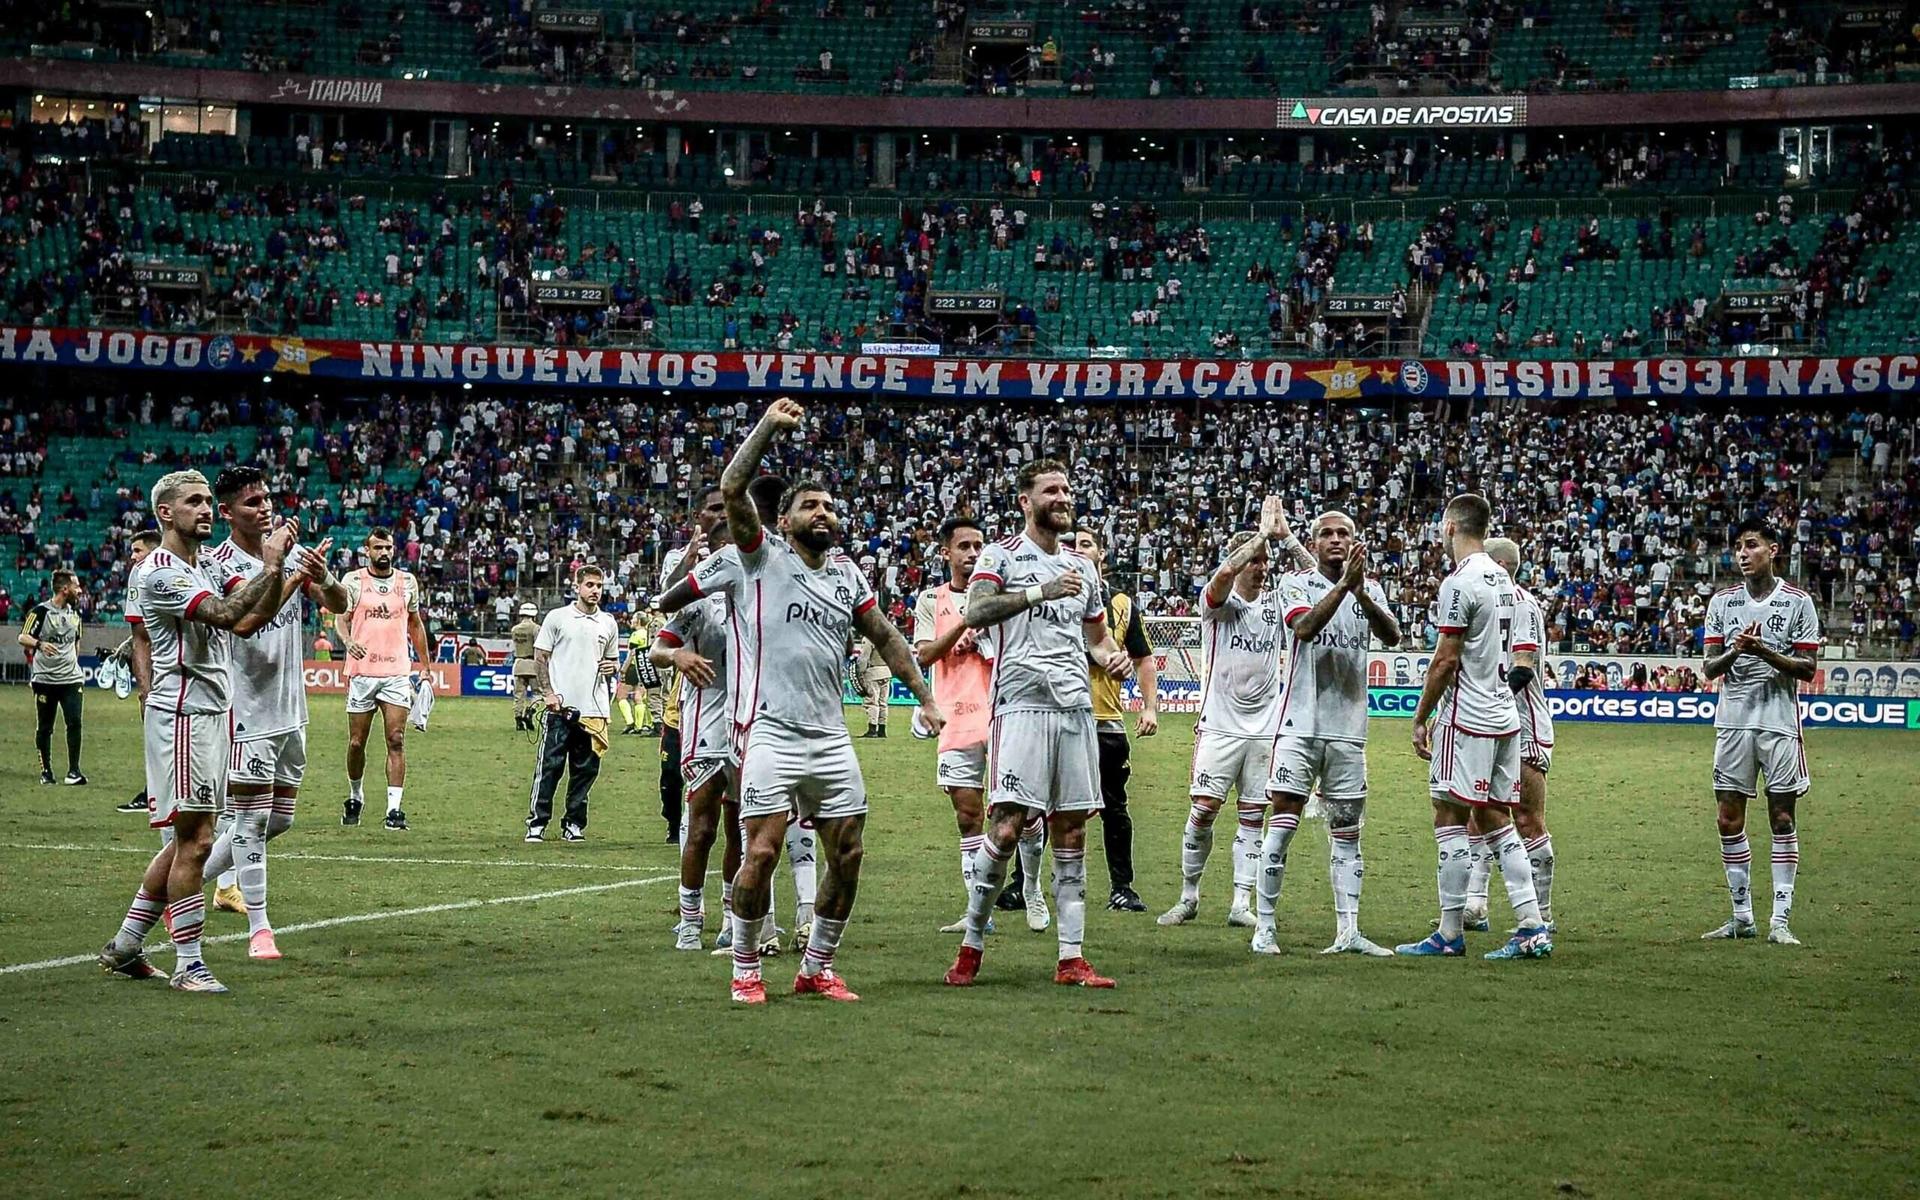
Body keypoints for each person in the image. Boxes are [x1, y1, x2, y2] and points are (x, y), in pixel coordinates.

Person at [689, 398, 943, 1004]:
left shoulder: (848, 575)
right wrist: (769, 428)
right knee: (763, 850)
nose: (824, 513)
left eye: (830, 506)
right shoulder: (760, 558)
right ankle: (746, 966)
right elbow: (732, 484)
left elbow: (886, 636)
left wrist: (926, 697)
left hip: (830, 736)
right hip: (771, 732)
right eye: (811, 505)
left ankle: (817, 965)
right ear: (785, 521)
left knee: (849, 852)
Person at [96, 469, 309, 994]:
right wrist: (275, 562)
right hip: (184, 715)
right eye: (194, 501)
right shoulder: (160, 572)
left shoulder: (204, 564)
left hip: (213, 714)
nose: (206, 508)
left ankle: (126, 943)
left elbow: (252, 617)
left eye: (210, 500)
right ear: (165, 513)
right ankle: (188, 964)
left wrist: (298, 576)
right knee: (196, 842)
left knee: (188, 842)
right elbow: (229, 614)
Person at [943, 458, 1133, 990]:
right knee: (1004, 827)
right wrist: (1038, 593)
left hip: (1075, 709)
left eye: (1068, 490)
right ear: (1026, 501)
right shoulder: (1002, 555)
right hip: (1021, 706)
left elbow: (1097, 638)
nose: (1063, 498)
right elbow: (977, 612)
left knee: (1071, 829)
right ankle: (972, 945)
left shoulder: (1086, 570)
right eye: (1051, 490)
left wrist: (1111, 656)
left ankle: (1071, 958)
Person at [201, 465, 350, 960]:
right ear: (226, 512)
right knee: (249, 820)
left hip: (291, 708)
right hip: (245, 710)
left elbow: (339, 600)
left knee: (278, 821)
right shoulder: (216, 564)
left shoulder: (285, 555)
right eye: (251, 502)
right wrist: (285, 571)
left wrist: (321, 575)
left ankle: (179, 879)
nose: (264, 507)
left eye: (266, 498)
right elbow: (243, 622)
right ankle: (260, 931)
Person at [1397, 493, 1553, 961]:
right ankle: (1532, 925)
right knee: (1493, 819)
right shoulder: (1506, 584)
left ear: (1449, 527)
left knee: (1448, 813)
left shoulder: (1459, 582)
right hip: (1507, 717)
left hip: (1468, 718)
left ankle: (1449, 932)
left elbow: (1445, 660)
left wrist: (1421, 717)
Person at [1253, 509, 1400, 957]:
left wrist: (1362, 593)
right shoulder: (1294, 585)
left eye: (1344, 534)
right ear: (1313, 543)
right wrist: (1343, 587)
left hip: (1349, 733)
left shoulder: (1370, 589)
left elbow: (1392, 636)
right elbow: (1304, 627)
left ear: (1355, 543)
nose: (1336, 540)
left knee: (1347, 831)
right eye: (1327, 534)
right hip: (1300, 728)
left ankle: (1349, 931)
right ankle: (1265, 928)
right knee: (1280, 827)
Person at [1157, 497, 1308, 930]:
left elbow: (1315, 577)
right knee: (1203, 810)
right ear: (1241, 563)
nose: (1262, 568)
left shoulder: (1278, 605)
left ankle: (1241, 902)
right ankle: (1189, 896)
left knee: (1252, 817)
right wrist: (1260, 535)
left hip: (1265, 728)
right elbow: (1222, 575)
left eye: (1265, 562)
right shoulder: (1219, 607)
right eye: (1255, 561)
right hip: (1219, 726)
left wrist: (1286, 537)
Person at [1700, 520, 1819, 946]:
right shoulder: (1723, 603)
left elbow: (1808, 668)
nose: (1742, 554)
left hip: (1778, 724)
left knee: (1782, 818)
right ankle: (1742, 916)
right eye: (1737, 547)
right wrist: (1737, 649)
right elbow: (1709, 668)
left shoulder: (1797, 602)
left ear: (1773, 549)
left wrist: (1763, 650)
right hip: (1732, 724)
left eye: (1751, 545)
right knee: (1728, 819)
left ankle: (1780, 921)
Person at [1458, 538, 1558, 933]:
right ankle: (1475, 905)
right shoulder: (1491, 600)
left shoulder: (1521, 603)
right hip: (1492, 721)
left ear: (1500, 564)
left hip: (1525, 725)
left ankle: (1543, 916)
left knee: (1528, 820)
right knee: (1476, 815)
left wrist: (1485, 699)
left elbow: (1524, 666)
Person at [654, 523, 740, 948]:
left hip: (751, 721)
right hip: (707, 718)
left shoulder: (760, 601)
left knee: (741, 827)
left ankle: (730, 919)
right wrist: (679, 655)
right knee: (702, 827)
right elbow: (658, 648)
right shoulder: (698, 606)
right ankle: (690, 920)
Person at [913, 516, 994, 932]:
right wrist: (963, 625)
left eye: (978, 545)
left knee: (1021, 815)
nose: (972, 553)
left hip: (1000, 717)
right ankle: (977, 910)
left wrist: (985, 640)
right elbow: (923, 655)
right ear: (946, 552)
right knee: (968, 816)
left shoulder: (999, 596)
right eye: (963, 546)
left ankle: (1030, 887)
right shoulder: (932, 600)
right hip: (956, 720)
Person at [1074, 526, 1158, 913]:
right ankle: (1023, 888)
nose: (1078, 549)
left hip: (1106, 721)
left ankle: (1122, 888)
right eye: (1071, 545)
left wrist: (1149, 705)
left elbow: (1142, 657)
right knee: (1042, 807)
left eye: (1086, 544)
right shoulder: (1053, 599)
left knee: (1114, 807)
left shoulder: (1121, 604)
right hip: (1061, 719)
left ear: (1101, 555)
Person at [333, 528, 430, 831]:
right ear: (367, 551)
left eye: (388, 547)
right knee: (356, 742)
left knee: (396, 739)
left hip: (396, 672)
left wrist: (425, 665)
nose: (384, 553)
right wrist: (348, 642)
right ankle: (355, 795)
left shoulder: (407, 582)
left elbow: (415, 624)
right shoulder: (353, 581)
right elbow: (340, 618)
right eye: (378, 548)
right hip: (362, 672)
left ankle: (394, 810)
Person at [524, 566, 621, 843]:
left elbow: (613, 662)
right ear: (577, 586)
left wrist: (611, 667)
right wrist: (548, 693)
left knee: (585, 771)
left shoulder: (608, 623)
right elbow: (540, 657)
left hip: (594, 710)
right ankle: (537, 823)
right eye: (590, 585)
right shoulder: (557, 618)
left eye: (599, 586)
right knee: (549, 768)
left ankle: (574, 824)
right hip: (561, 708)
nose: (595, 591)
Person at [22, 568, 87, 785]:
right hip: (45, 680)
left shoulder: (75, 615)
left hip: (71, 679)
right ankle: (46, 772)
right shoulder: (40, 612)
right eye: (77, 585)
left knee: (75, 722)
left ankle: (74, 772)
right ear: (65, 589)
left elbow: (76, 642)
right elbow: (23, 636)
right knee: (45, 727)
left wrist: (73, 663)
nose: (80, 590)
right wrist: (40, 644)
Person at [115, 529, 163, 814]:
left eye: (137, 550)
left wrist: (145, 690)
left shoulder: (143, 572)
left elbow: (141, 634)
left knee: (160, 734)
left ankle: (154, 795)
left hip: (169, 674)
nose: (133, 557)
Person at [619, 609, 661, 736]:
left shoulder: (636, 635)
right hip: (645, 667)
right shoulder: (648, 633)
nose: (631, 621)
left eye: (633, 619)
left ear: (638, 621)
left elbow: (632, 653)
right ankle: (639, 726)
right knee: (640, 697)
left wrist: (623, 669)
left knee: (621, 695)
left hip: (633, 667)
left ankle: (630, 723)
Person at [856, 629, 894, 737]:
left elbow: (864, 658)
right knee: (883, 702)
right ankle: (882, 730)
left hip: (873, 672)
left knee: (872, 702)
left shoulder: (868, 638)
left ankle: (872, 729)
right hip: (886, 671)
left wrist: (860, 672)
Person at [510, 602, 541, 731]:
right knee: (538, 693)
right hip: (532, 664)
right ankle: (530, 712)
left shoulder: (514, 629)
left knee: (519, 695)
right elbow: (539, 647)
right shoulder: (536, 628)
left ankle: (518, 721)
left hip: (518, 663)